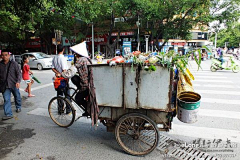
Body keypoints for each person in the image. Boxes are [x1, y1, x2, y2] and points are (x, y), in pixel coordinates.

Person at [0, 49, 22, 120]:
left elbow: (19, 73)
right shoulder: (0, 65)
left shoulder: (14, 64)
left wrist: (18, 81)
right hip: (5, 85)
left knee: (17, 96)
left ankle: (18, 106)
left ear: (9, 55)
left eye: (6, 55)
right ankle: (8, 114)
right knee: (6, 99)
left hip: (14, 84)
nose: (4, 57)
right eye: (2, 55)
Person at [52, 44, 71, 114]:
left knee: (59, 94)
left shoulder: (55, 57)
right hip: (63, 79)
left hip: (58, 79)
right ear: (63, 49)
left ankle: (60, 109)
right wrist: (64, 76)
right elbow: (64, 70)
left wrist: (57, 73)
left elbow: (53, 68)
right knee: (67, 95)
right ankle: (68, 110)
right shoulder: (62, 58)